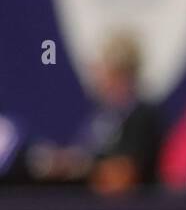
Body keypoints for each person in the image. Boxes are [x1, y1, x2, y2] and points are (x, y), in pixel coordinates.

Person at [25, 31, 166, 195]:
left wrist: (75, 167)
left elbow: (122, 179)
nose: (95, 74)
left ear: (119, 72)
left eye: (101, 67)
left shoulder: (143, 116)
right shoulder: (101, 115)